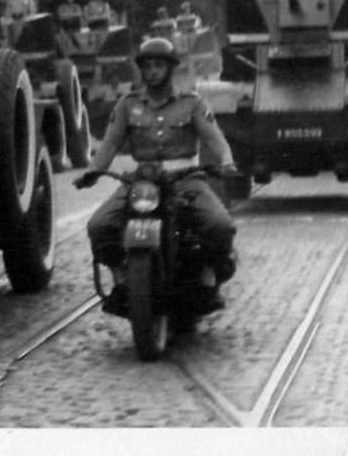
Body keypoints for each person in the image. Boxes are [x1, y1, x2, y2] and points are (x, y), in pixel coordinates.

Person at [75, 37, 239, 309]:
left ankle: (209, 277)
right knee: (100, 225)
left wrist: (227, 162)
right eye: (147, 66)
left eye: (158, 65)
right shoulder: (127, 105)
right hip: (141, 182)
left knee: (219, 226)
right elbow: (110, 144)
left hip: (185, 180)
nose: (152, 71)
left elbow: (215, 139)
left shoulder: (192, 103)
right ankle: (121, 276)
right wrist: (93, 172)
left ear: (170, 69)